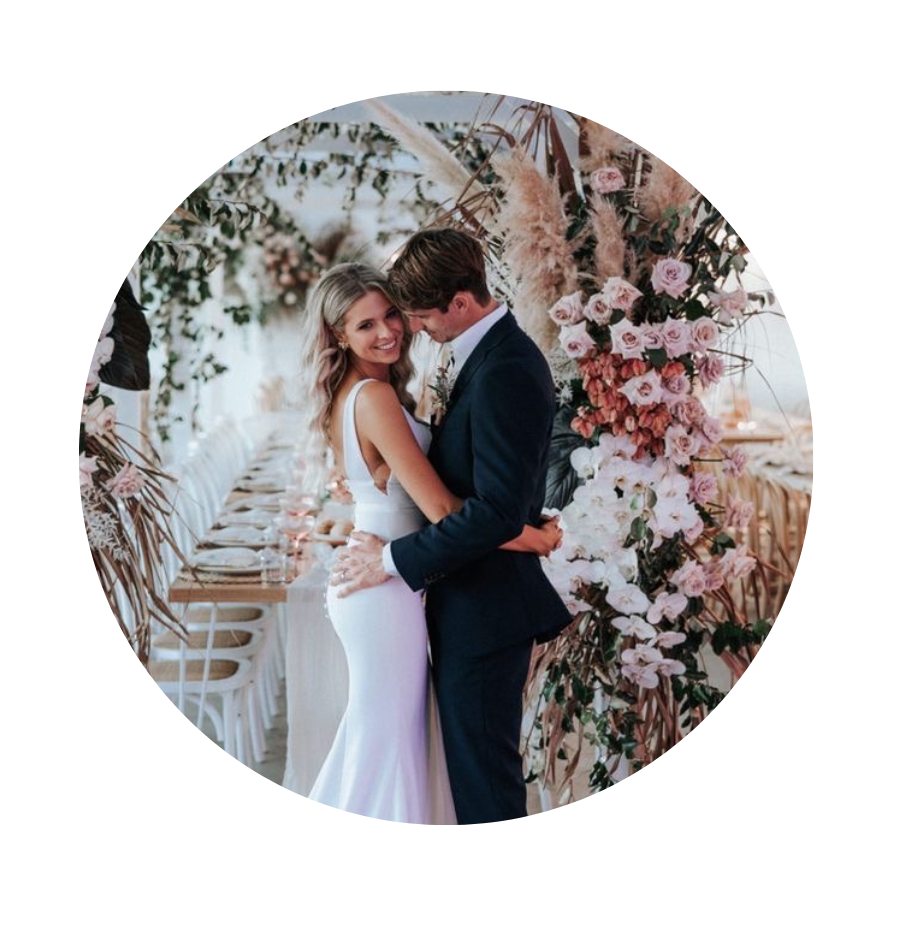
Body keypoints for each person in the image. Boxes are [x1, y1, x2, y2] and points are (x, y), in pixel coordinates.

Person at [300, 261, 561, 832]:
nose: (388, 330)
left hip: (388, 577)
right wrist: (534, 535)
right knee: (388, 736)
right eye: (365, 325)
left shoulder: (373, 391)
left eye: (391, 314)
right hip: (382, 584)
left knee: (392, 733)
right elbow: (441, 509)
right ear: (339, 336)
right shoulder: (373, 397)